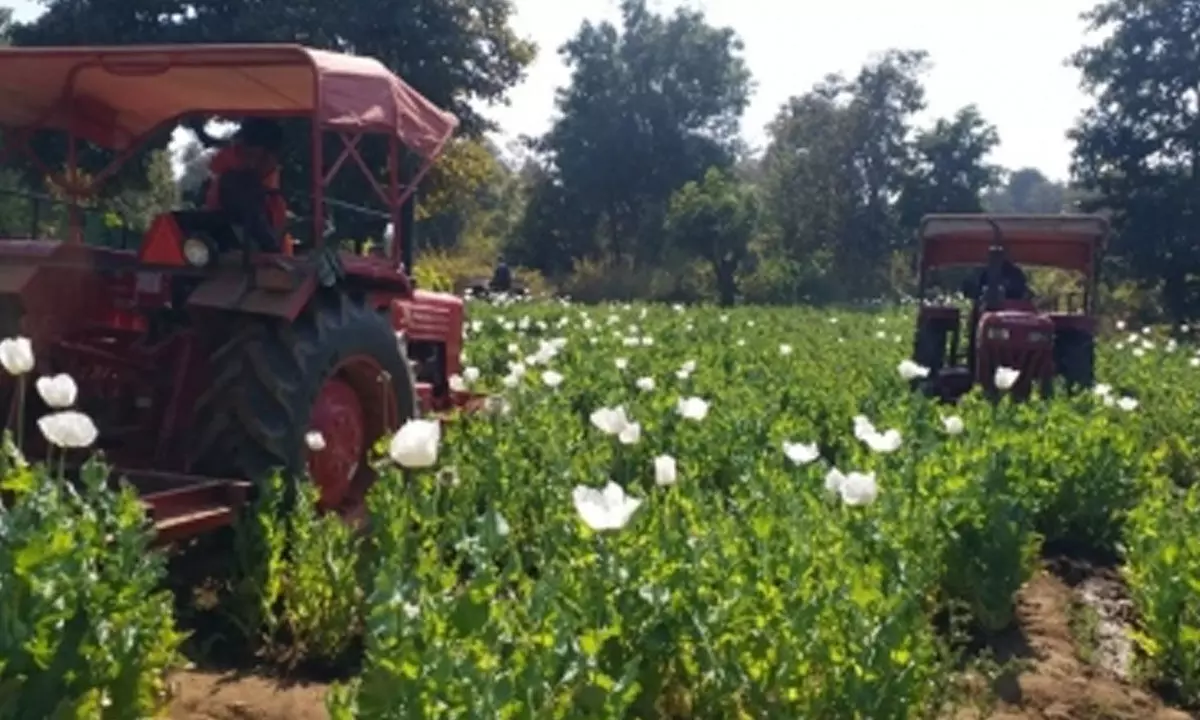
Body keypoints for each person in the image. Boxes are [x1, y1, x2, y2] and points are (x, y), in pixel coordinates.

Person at [204, 118, 292, 254]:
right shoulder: (235, 181)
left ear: (273, 156)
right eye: (247, 155)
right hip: (239, 259)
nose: (251, 163)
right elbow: (256, 223)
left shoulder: (273, 189)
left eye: (255, 157)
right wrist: (272, 248)